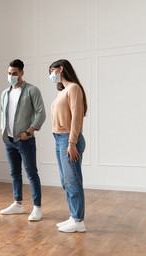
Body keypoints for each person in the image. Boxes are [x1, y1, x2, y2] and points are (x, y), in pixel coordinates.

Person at [0, 59, 46, 221]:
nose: (11, 76)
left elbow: (41, 113)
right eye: (9, 73)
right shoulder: (5, 93)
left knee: (32, 173)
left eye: (14, 73)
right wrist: (3, 133)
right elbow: (3, 114)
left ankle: (37, 208)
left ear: (21, 73)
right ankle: (17, 204)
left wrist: (29, 131)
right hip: (9, 140)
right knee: (14, 173)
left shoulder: (31, 90)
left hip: (25, 139)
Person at [49, 59, 88, 233]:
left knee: (73, 181)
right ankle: (73, 216)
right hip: (59, 139)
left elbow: (77, 117)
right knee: (66, 182)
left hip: (69, 139)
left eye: (52, 70)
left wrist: (72, 143)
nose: (51, 74)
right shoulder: (63, 91)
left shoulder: (73, 88)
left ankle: (79, 221)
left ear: (61, 69)